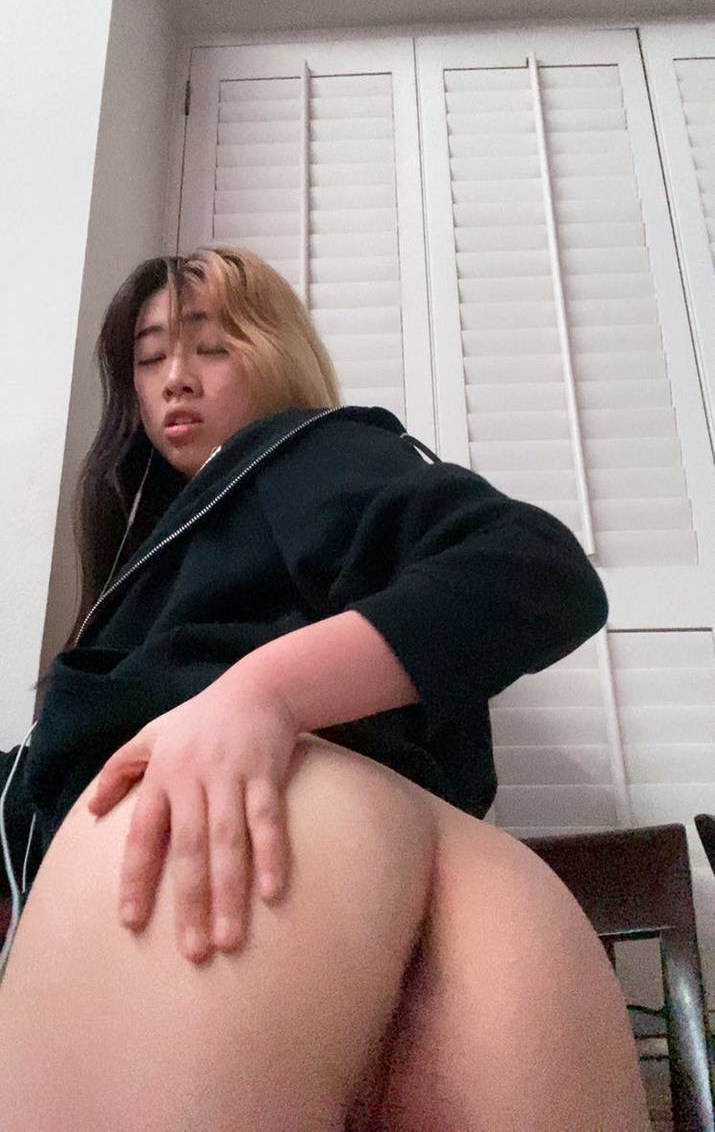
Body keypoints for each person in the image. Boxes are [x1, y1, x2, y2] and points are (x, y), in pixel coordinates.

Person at [0, 247, 651, 1131]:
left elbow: (534, 570)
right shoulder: (188, 538)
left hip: (252, 844)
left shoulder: (296, 454)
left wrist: (261, 693)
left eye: (211, 346)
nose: (175, 378)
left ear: (278, 351)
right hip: (484, 892)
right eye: (148, 360)